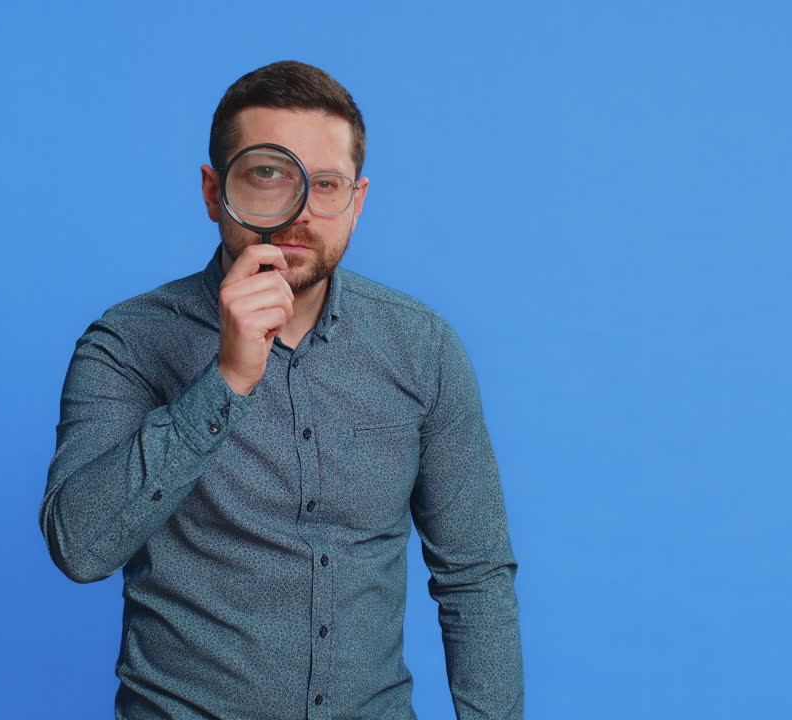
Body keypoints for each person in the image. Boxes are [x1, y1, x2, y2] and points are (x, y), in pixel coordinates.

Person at [39, 60, 523, 719]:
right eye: (269, 175)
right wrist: (226, 380)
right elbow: (79, 546)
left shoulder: (423, 348)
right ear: (214, 191)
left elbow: (476, 578)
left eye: (326, 184)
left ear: (358, 200)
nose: (299, 213)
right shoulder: (128, 343)